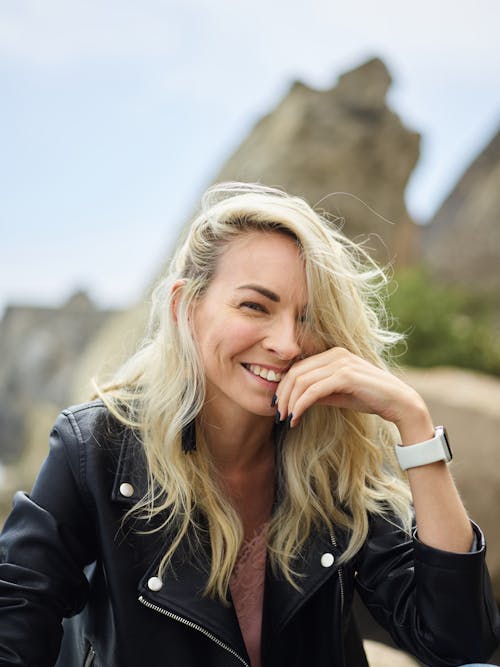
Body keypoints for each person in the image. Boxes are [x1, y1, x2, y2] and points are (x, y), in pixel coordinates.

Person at [0, 182, 499, 667]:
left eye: (308, 317)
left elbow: (457, 643)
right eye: (254, 306)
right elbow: (17, 620)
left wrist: (412, 421)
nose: (286, 343)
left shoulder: (332, 458)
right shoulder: (96, 447)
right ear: (185, 308)